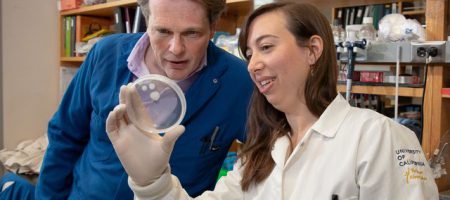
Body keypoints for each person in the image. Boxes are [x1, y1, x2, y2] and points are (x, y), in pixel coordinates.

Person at [105, 2, 440, 199]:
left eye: (266, 47)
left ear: (312, 50)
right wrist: (153, 182)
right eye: (249, 53)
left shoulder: (376, 138)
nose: (253, 64)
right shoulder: (262, 154)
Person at [34, 0, 253, 199]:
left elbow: (270, 157)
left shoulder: (239, 81)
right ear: (147, 21)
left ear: (213, 28)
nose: (176, 49)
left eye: (192, 33)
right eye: (163, 31)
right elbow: (64, 136)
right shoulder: (105, 54)